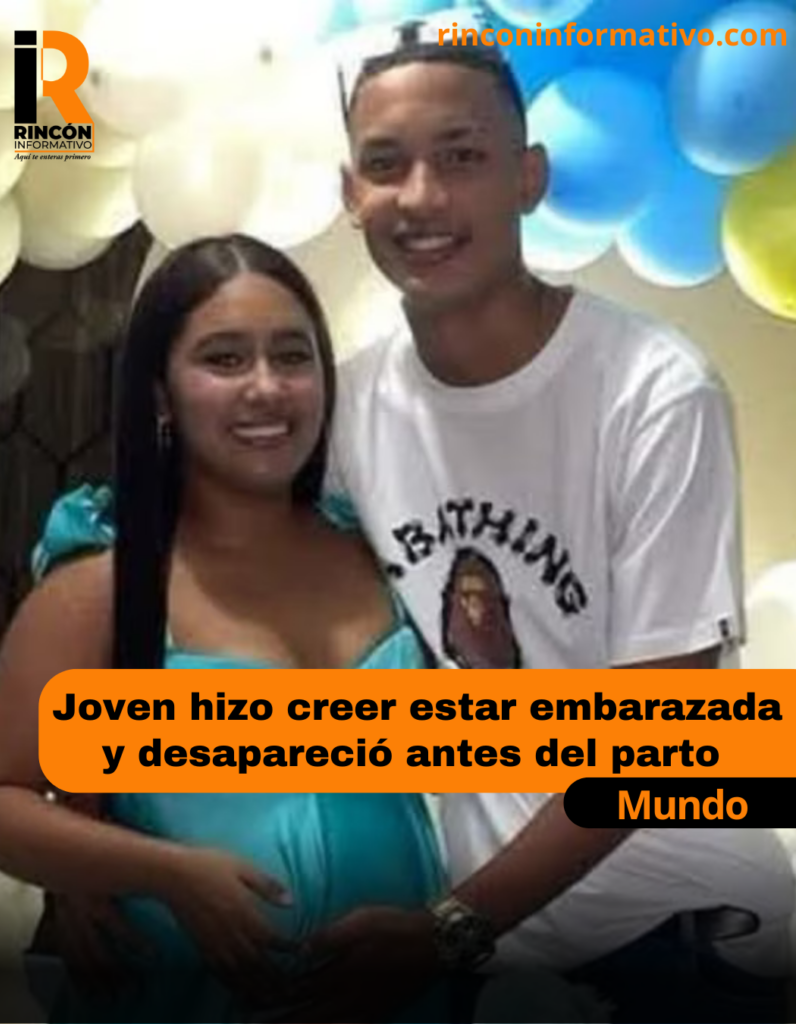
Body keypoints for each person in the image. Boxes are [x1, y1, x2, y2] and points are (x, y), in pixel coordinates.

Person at [279, 25, 794, 1024]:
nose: (421, 197)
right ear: (350, 195)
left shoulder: (653, 390)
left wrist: (451, 927)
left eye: (461, 157)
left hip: (679, 931)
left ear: (529, 177)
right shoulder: (344, 410)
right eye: (385, 165)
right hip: (484, 941)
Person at [0, 234, 453, 1023]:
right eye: (224, 359)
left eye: (292, 357)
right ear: (161, 394)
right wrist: (162, 872)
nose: (266, 387)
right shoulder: (102, 591)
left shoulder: (386, 552)